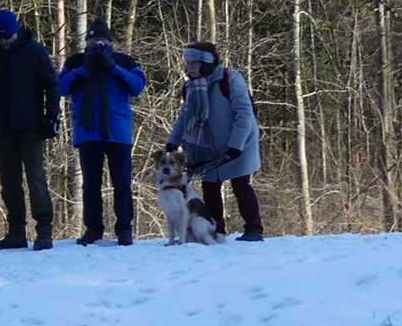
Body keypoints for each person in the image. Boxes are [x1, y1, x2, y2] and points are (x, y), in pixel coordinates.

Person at [59, 19, 148, 246]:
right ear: (86, 42)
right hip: (88, 133)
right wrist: (84, 69)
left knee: (122, 182)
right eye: (93, 39)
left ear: (110, 42)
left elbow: (138, 86)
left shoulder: (124, 61)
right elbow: (61, 87)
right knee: (91, 184)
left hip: (118, 132)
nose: (97, 43)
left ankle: (125, 229)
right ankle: (93, 229)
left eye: (102, 39)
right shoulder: (76, 61)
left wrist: (113, 68)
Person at [167, 40, 264, 241]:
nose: (189, 67)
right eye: (188, 62)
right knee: (210, 187)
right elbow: (185, 117)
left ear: (206, 63)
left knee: (241, 184)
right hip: (207, 146)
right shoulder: (190, 87)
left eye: (194, 62)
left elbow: (244, 114)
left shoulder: (230, 79)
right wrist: (173, 141)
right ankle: (216, 230)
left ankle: (254, 229)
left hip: (240, 142)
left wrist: (236, 145)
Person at [0, 8, 60, 250]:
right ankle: (16, 231)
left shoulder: (34, 51)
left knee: (36, 178)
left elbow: (51, 84)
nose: (4, 42)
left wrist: (52, 116)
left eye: (8, 37)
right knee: (9, 182)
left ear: (16, 32)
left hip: (31, 127)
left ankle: (44, 229)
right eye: (0, 37)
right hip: (5, 129)